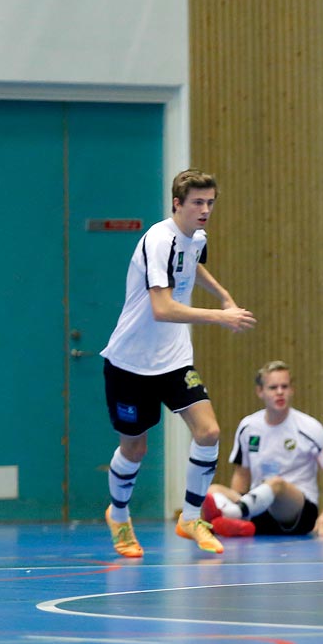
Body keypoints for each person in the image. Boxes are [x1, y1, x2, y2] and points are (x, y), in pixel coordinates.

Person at [100, 168, 256, 558]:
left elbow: (191, 265)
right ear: (177, 204)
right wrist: (222, 318)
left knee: (208, 432)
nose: (205, 210)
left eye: (210, 203)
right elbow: (162, 308)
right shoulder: (158, 240)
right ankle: (119, 516)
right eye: (198, 203)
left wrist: (224, 295)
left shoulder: (195, 237)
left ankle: (190, 517)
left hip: (173, 358)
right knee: (135, 449)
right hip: (130, 362)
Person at [202, 360, 323, 538]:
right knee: (213, 491)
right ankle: (236, 518)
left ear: (292, 390)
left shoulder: (310, 428)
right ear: (260, 392)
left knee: (276, 483)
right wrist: (235, 496)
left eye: (285, 386)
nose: (280, 392)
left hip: (297, 513)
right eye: (273, 387)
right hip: (259, 508)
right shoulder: (248, 426)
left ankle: (231, 514)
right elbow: (242, 474)